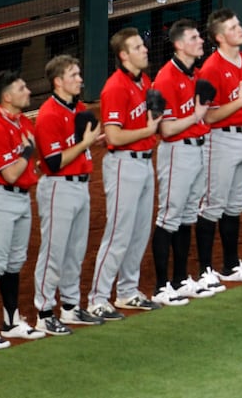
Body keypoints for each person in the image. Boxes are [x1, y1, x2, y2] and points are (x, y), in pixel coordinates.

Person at [150, 20, 227, 308]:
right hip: (176, 152)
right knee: (169, 216)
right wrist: (197, 115)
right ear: (179, 44)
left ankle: (181, 280)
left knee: (187, 216)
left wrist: (198, 116)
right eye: (194, 38)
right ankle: (161, 286)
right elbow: (167, 130)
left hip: (197, 150)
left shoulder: (194, 74)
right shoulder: (167, 78)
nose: (201, 41)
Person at [87, 28, 160, 319]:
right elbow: (114, 137)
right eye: (137, 47)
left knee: (140, 231)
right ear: (123, 55)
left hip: (144, 162)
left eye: (143, 44)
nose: (145, 50)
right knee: (118, 232)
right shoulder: (115, 87)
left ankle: (128, 291)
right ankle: (97, 298)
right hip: (123, 164)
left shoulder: (144, 81)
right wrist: (150, 129)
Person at [32, 55, 104, 336]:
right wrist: (83, 143)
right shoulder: (48, 114)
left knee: (75, 251)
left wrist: (91, 143)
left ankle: (71, 306)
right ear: (58, 81)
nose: (80, 79)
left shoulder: (80, 109)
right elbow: (51, 162)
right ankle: (44, 312)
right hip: (58, 187)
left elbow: (78, 148)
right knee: (54, 251)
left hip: (80, 186)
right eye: (73, 75)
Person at [0, 71, 45, 350]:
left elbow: (24, 170)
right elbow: (12, 173)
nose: (28, 91)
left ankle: (11, 321)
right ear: (7, 97)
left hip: (22, 199)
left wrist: (30, 163)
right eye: (21, 88)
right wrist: (27, 154)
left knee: (15, 262)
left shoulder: (23, 122)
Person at [197, 10, 242, 276]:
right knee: (213, 205)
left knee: (235, 206)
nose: (240, 29)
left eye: (239, 24)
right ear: (219, 37)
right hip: (220, 140)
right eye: (232, 27)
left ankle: (230, 265)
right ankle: (205, 270)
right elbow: (206, 116)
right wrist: (237, 104)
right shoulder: (211, 68)